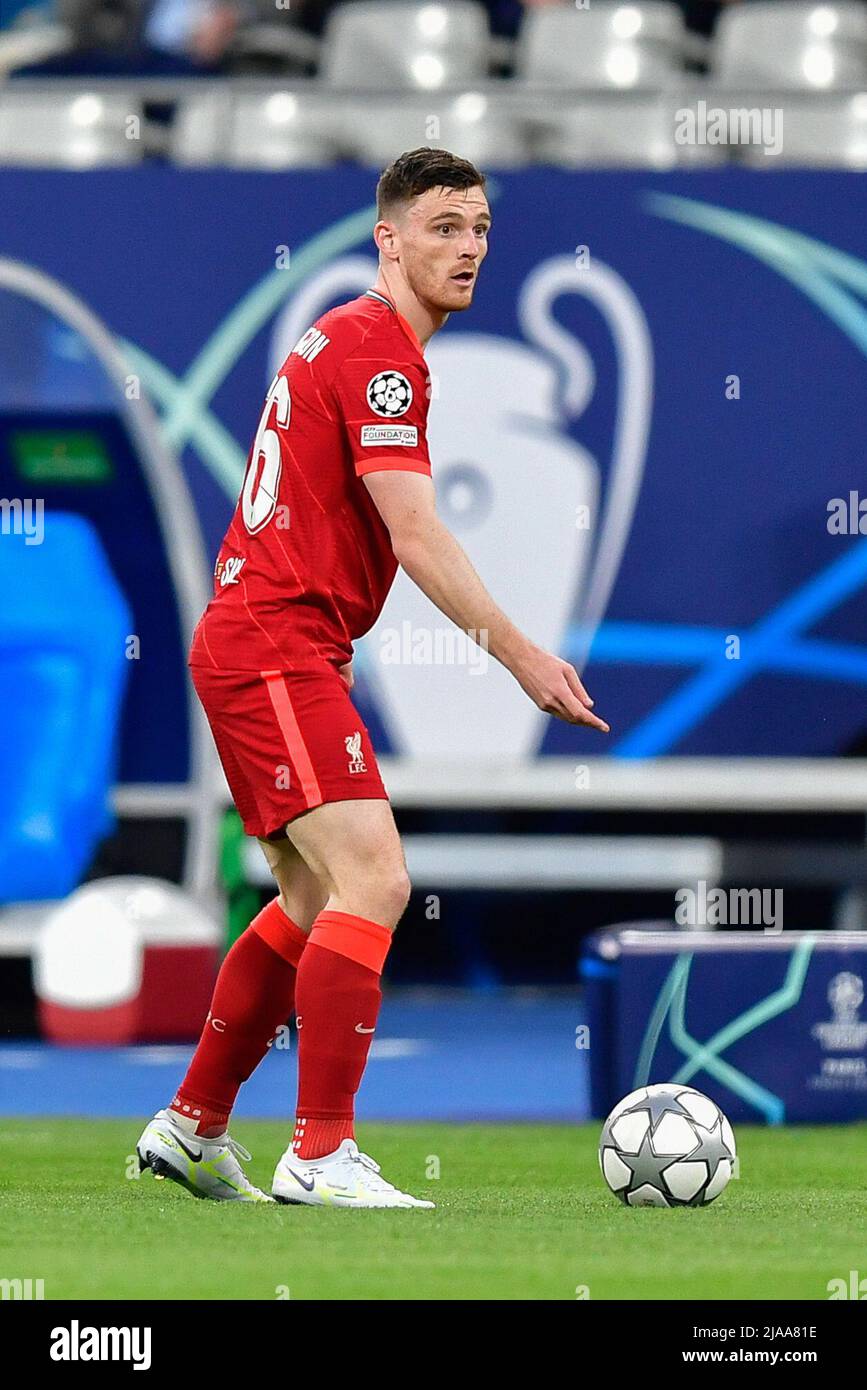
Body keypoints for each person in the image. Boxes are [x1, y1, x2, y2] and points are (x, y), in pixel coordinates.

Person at [136, 146, 608, 1209]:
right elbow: (416, 528)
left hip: (266, 639)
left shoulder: (360, 342)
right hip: (276, 640)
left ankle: (192, 1124)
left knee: (310, 899)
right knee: (378, 882)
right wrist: (524, 654)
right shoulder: (378, 352)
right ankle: (319, 1152)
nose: (471, 247)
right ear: (386, 238)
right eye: (444, 226)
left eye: (481, 226)